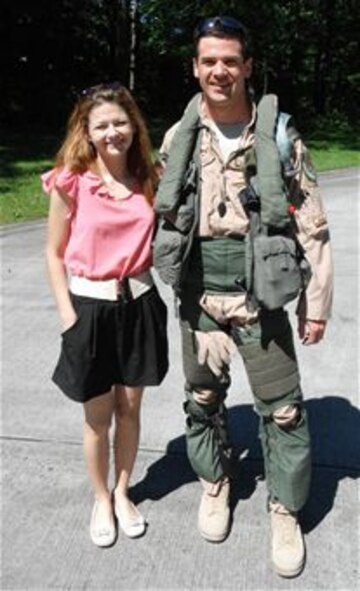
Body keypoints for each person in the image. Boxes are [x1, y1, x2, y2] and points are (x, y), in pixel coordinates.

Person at [154, 16, 333, 578]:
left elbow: (313, 225)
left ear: (248, 67)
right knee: (203, 399)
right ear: (195, 67)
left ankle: (284, 508)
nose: (219, 71)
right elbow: (154, 212)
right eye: (209, 60)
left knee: (282, 411)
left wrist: (317, 303)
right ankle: (216, 481)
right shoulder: (178, 139)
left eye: (230, 60)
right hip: (198, 294)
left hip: (262, 292)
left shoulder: (280, 136)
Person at [42, 82, 169, 547]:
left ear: (134, 127)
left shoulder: (149, 179)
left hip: (139, 305)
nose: (113, 131)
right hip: (89, 311)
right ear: (87, 131)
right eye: (102, 125)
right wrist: (67, 317)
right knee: (98, 416)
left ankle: (122, 492)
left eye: (121, 122)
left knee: (129, 408)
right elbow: (54, 254)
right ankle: (100, 498)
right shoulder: (70, 180)